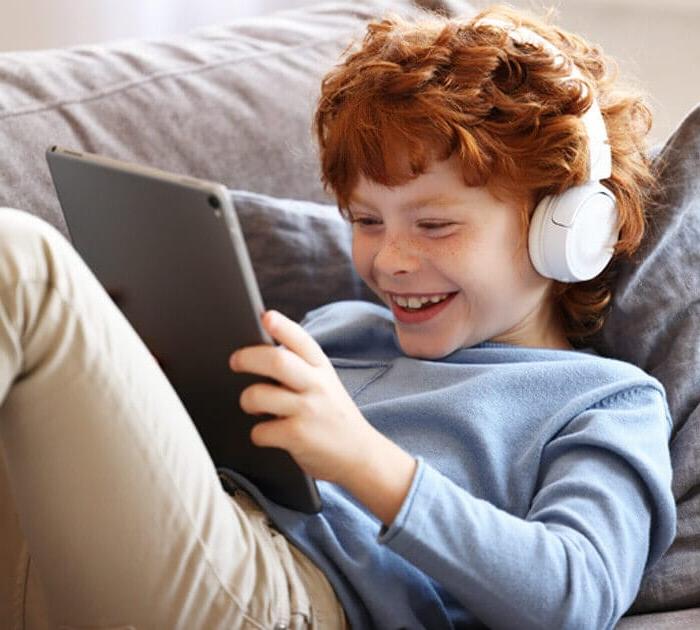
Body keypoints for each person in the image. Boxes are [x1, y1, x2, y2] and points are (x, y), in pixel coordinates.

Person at [0, 4, 675, 629]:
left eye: (436, 224)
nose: (391, 260)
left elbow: (574, 596)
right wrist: (142, 394)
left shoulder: (605, 403)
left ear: (567, 230)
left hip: (287, 596)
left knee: (20, 260)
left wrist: (364, 461)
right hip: (137, 547)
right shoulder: (341, 329)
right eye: (366, 221)